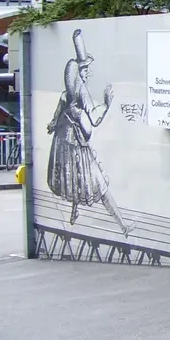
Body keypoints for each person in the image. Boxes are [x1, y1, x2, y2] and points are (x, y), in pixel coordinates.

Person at [47, 29, 134, 236]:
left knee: (74, 179)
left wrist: (53, 124)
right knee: (99, 185)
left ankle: (74, 213)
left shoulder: (66, 94)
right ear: (79, 72)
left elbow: (55, 118)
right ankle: (123, 226)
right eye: (85, 69)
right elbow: (94, 119)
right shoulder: (82, 93)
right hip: (78, 147)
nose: (88, 73)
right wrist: (106, 103)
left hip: (66, 146)